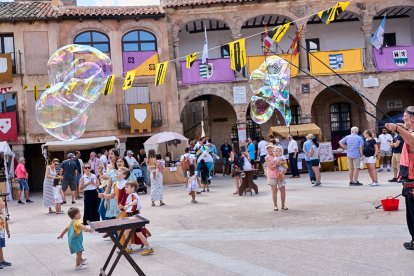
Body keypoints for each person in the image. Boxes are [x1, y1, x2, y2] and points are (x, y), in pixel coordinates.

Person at [385, 106, 414, 250]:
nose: (403, 119)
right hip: (410, 177)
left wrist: (398, 128)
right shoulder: (410, 131)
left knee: (413, 213)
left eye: (405, 116)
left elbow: (413, 142)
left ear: (412, 118)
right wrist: (402, 129)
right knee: (411, 212)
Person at [121, 181, 153, 256]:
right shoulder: (131, 195)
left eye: (127, 187)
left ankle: (131, 248)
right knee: (136, 233)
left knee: (133, 232)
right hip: (134, 217)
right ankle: (147, 248)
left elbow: (135, 202)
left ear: (133, 188)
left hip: (134, 217)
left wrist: (128, 205)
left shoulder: (133, 195)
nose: (125, 189)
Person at [0, 197, 11, 269]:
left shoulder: (2, 213)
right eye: (1, 202)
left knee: (0, 247)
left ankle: (2, 260)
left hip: (2, 233)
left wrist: (8, 231)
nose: (3, 203)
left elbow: (6, 222)